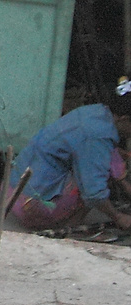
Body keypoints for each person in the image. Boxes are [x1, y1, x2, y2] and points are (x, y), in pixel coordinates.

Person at [9, 85, 131, 231]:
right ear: (124, 118)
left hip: (15, 191)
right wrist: (118, 217)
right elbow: (94, 193)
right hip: (30, 203)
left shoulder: (97, 112)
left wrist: (123, 181)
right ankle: (67, 227)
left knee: (106, 158)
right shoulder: (96, 136)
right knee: (95, 179)